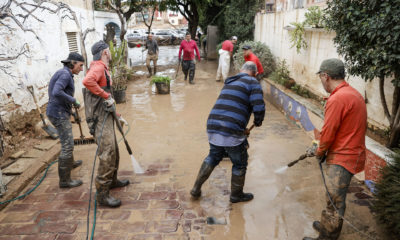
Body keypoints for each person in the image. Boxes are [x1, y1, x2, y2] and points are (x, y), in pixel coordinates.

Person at [303, 59, 367, 240]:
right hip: (350, 152)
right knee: (333, 196)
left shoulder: (338, 98)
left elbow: (329, 131)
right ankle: (326, 227)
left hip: (343, 156)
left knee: (334, 200)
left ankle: (327, 237)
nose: (321, 81)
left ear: (326, 76)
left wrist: (320, 151)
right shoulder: (351, 93)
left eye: (321, 77)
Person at [190, 61, 265, 203]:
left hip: (213, 124)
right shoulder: (252, 82)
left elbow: (232, 106)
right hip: (231, 128)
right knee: (240, 163)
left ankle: (196, 189)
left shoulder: (230, 81)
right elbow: (259, 106)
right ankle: (236, 195)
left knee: (213, 156)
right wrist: (258, 121)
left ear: (241, 70)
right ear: (254, 73)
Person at [82, 41, 129, 208]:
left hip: (106, 115)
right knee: (107, 152)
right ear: (104, 52)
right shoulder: (98, 67)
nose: (110, 53)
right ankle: (102, 194)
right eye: (108, 50)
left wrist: (116, 113)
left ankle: (112, 181)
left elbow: (104, 97)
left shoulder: (102, 67)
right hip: (98, 119)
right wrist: (106, 95)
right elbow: (87, 81)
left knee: (114, 149)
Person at [46, 52, 84, 188]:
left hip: (59, 111)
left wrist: (72, 112)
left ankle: (71, 163)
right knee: (67, 145)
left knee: (67, 139)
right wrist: (73, 100)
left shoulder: (65, 73)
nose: (81, 68)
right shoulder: (65, 74)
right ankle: (64, 181)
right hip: (58, 114)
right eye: (80, 65)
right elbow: (57, 92)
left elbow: (60, 96)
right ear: (72, 63)